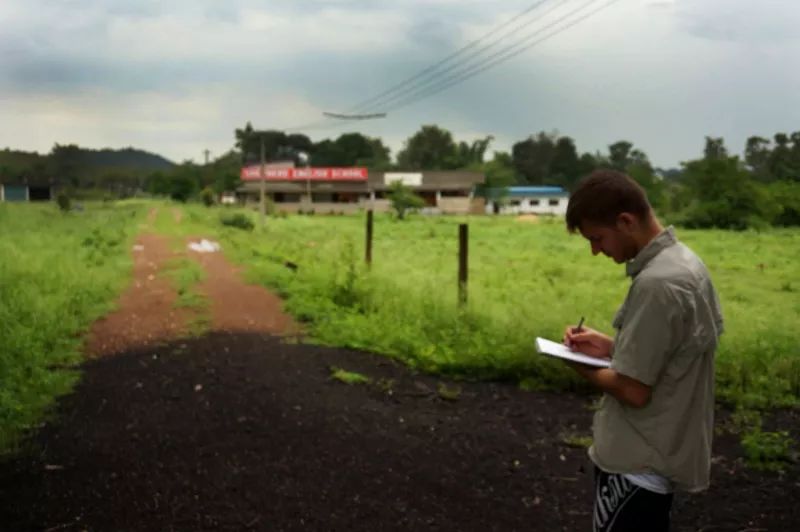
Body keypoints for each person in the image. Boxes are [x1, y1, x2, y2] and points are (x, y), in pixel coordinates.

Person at [561, 170, 724, 532]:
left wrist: (574, 363)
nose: (595, 250)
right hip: (656, 456)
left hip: (637, 464)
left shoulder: (658, 284)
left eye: (597, 238)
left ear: (626, 221)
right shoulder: (684, 264)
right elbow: (671, 353)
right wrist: (611, 346)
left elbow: (633, 389)